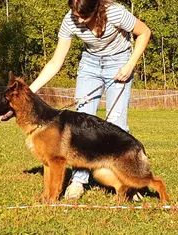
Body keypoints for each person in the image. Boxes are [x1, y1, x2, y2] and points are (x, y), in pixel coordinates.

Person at [29, 0, 152, 200]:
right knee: (80, 127)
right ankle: (78, 181)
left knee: (116, 124)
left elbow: (144, 32)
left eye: (83, 16)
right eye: (75, 15)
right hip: (90, 66)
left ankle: (128, 183)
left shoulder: (116, 13)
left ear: (96, 9)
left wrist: (130, 65)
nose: (78, 19)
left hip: (120, 61)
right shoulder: (70, 20)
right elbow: (55, 61)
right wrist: (30, 91)